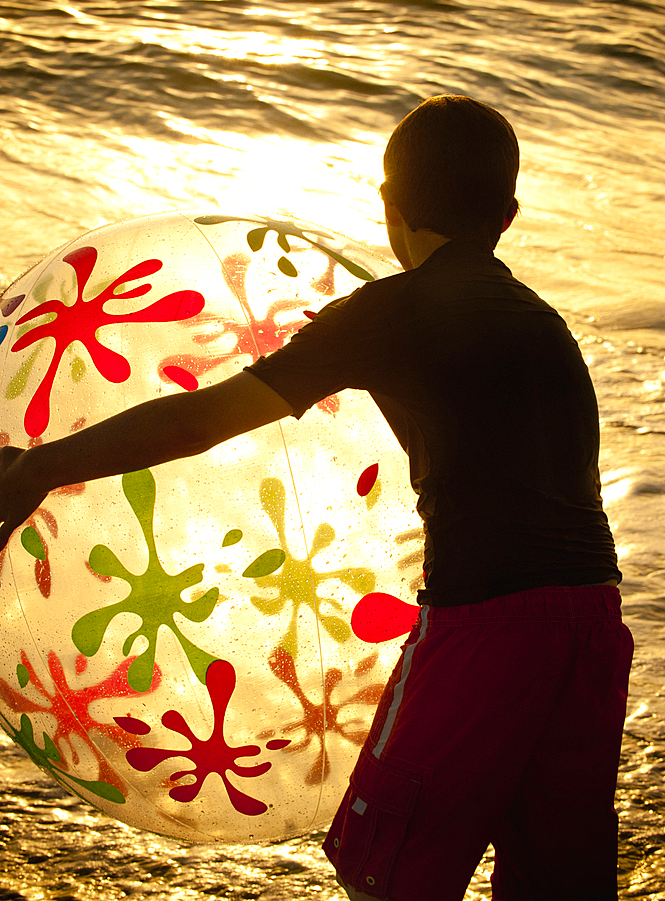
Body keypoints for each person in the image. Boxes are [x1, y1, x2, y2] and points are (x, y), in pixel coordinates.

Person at [0, 96, 633, 901]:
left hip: (484, 629)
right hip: (590, 626)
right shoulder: (541, 322)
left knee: (390, 873)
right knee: (559, 882)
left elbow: (205, 418)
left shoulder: (391, 313)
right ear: (506, 215)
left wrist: (39, 467)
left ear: (387, 204)